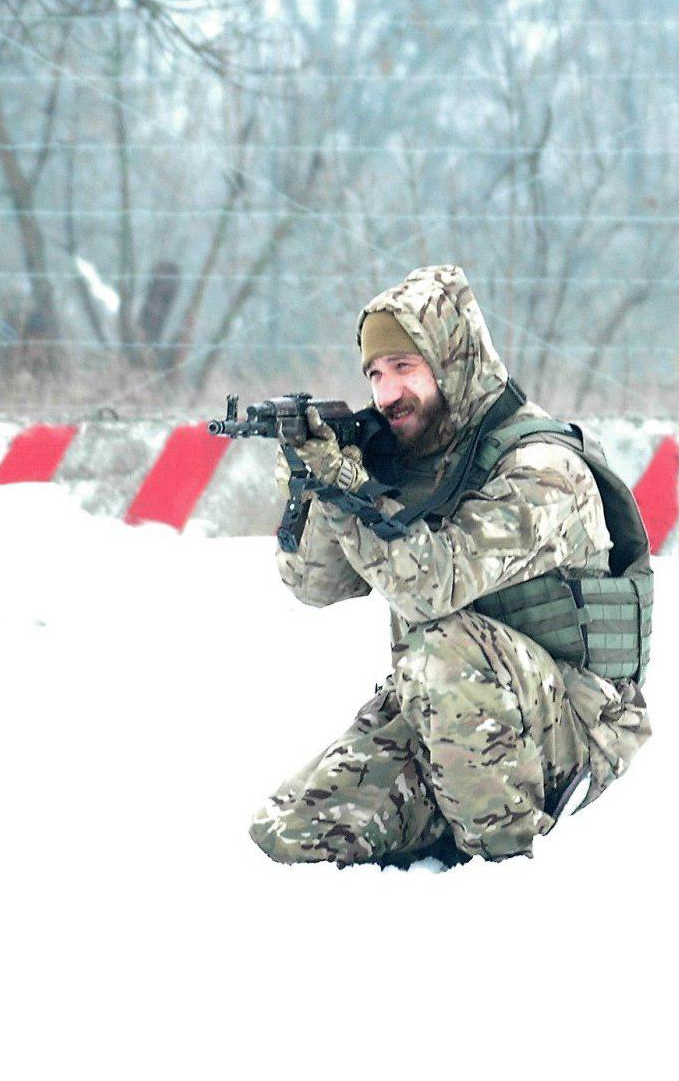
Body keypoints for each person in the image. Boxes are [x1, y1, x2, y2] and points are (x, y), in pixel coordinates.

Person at [249, 264, 650, 867]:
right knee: (292, 834)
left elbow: (433, 585)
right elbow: (316, 585)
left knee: (442, 645)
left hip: (571, 726)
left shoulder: (542, 468)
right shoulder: (414, 458)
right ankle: (451, 818)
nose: (388, 393)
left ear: (452, 359)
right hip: (447, 714)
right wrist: (317, 491)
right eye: (375, 374)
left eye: (404, 367)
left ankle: (506, 860)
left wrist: (352, 488)